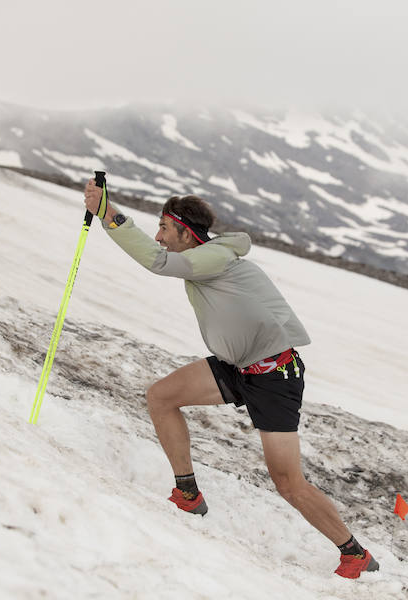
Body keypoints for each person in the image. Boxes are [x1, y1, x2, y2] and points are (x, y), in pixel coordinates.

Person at [83, 179, 379, 579]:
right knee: (161, 397)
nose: (159, 236)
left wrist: (108, 213)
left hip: (275, 376)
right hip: (236, 366)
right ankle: (188, 494)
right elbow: (161, 255)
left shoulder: (212, 257)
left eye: (165, 229)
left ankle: (355, 553)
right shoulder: (209, 257)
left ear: (186, 233)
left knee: (288, 482)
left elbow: (156, 261)